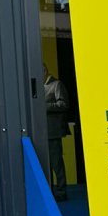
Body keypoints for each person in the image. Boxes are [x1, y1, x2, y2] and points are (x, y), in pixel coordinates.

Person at [44, 64, 70, 201]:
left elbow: (64, 104)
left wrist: (46, 106)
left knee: (57, 164)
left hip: (53, 132)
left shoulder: (56, 84)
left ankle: (61, 191)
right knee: (46, 164)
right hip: (42, 132)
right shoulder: (39, 86)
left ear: (44, 71)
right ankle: (49, 191)